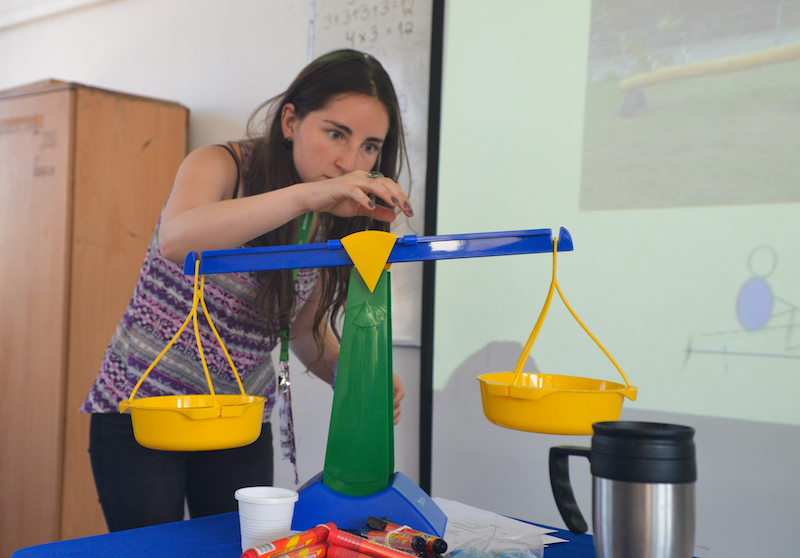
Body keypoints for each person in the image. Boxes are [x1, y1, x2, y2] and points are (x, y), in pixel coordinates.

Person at [80, 49, 412, 532]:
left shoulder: (325, 214)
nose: (349, 161)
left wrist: (355, 374)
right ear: (291, 121)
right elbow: (177, 239)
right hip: (144, 415)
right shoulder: (223, 166)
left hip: (238, 420)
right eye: (336, 133)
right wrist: (309, 196)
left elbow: (300, 330)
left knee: (243, 545)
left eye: (369, 147)